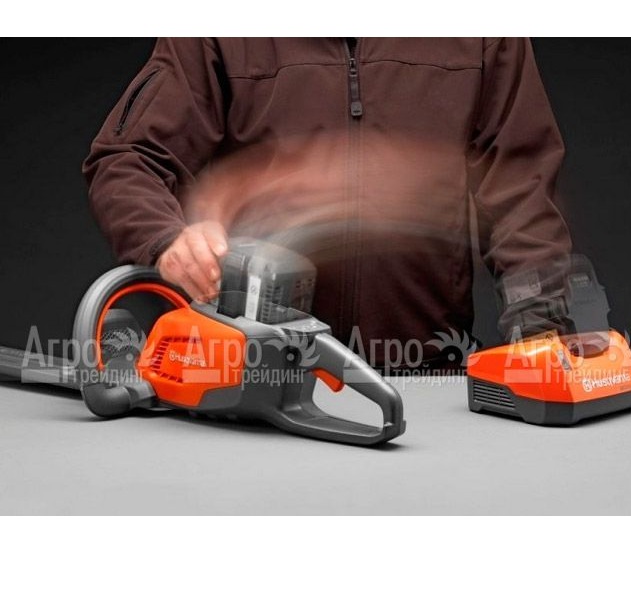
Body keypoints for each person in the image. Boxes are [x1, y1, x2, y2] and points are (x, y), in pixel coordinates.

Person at [83, 38, 571, 372]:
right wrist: (166, 239)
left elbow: (520, 192)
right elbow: (128, 158)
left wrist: (541, 330)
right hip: (257, 377)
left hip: (424, 375)